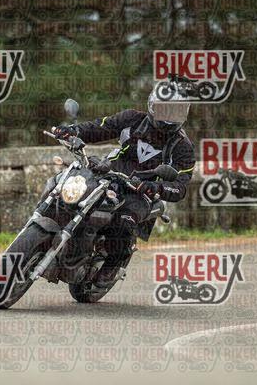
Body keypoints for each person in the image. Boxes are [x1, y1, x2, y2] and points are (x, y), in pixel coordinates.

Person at [53, 89, 196, 287]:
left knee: (123, 222)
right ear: (153, 106)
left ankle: (114, 263)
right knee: (65, 187)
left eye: (175, 111)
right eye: (165, 110)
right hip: (110, 173)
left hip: (141, 193)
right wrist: (73, 131)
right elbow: (100, 128)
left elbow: (180, 187)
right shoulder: (132, 119)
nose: (169, 117)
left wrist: (155, 187)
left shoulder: (183, 147)